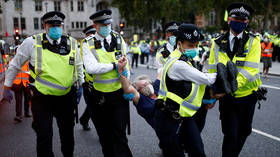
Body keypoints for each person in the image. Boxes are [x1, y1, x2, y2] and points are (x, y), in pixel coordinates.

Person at [3, 11, 84, 157]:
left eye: (58, 25)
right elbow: (15, 65)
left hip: (65, 97)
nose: (55, 28)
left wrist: (81, 85)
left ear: (62, 26)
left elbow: (78, 66)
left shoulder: (72, 43)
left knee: (67, 135)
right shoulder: (32, 42)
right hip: (42, 98)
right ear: (44, 26)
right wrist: (7, 87)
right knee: (44, 136)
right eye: (51, 25)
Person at [208, 2, 262, 157]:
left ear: (247, 22)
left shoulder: (254, 41)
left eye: (242, 20)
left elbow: (250, 69)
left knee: (244, 132)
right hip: (227, 98)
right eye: (235, 19)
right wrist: (213, 92)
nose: (239, 22)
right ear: (229, 20)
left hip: (247, 96)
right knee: (230, 133)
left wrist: (231, 86)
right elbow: (212, 68)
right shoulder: (217, 42)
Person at [81, 9, 132, 157]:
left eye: (108, 23)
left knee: (120, 135)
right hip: (98, 97)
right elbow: (92, 68)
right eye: (103, 24)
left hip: (118, 94)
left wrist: (127, 83)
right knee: (105, 137)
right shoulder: (87, 43)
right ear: (95, 25)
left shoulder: (118, 38)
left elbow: (125, 63)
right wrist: (114, 66)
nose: (107, 27)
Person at [79, 25, 96, 131]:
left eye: (94, 34)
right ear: (86, 36)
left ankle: (84, 119)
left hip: (101, 81)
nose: (92, 37)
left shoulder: (100, 47)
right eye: (90, 35)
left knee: (94, 106)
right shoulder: (80, 48)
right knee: (93, 106)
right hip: (87, 82)